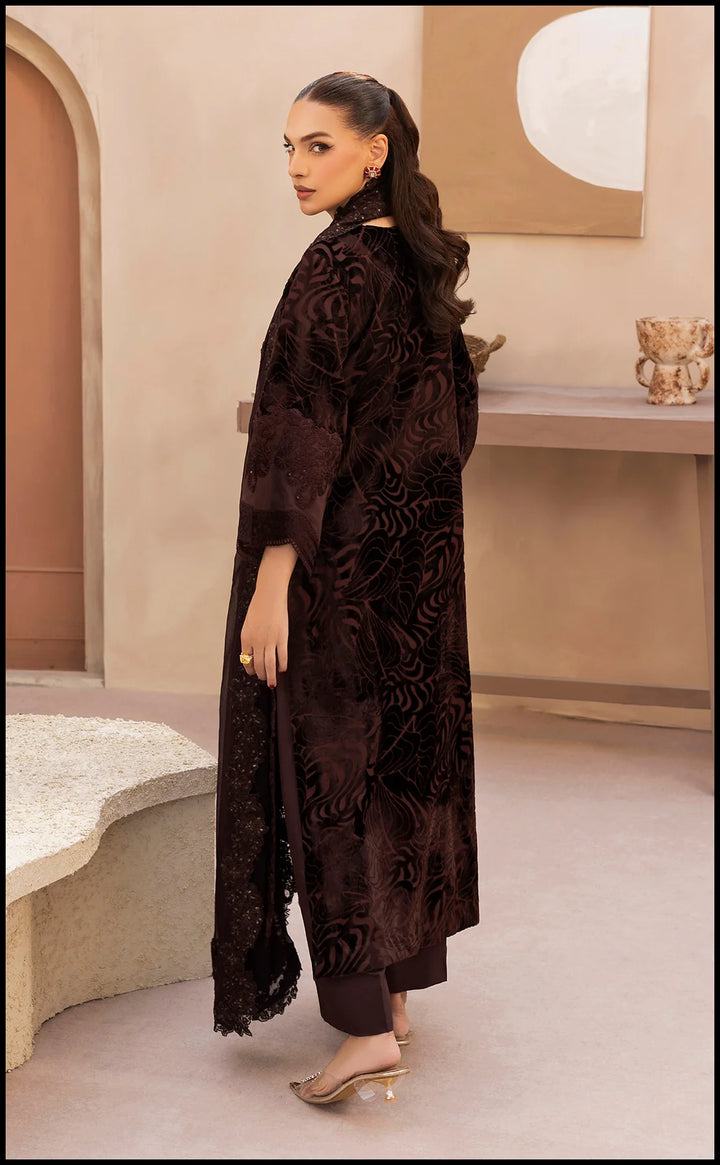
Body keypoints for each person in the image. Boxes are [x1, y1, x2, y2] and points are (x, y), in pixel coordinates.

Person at [212, 71, 480, 1106]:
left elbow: (300, 427)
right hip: (418, 583)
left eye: (316, 146)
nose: (295, 166)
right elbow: (454, 425)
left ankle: (365, 1031)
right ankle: (399, 996)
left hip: (336, 585)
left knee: (329, 788)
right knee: (406, 781)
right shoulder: (420, 263)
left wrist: (274, 578)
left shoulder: (335, 267)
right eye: (288, 147)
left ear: (376, 151)